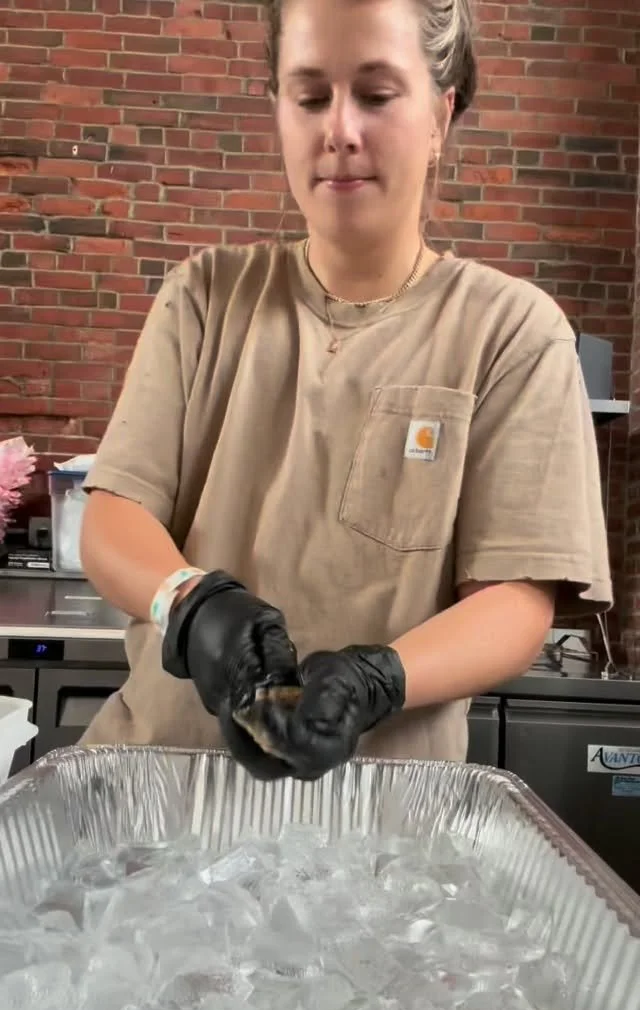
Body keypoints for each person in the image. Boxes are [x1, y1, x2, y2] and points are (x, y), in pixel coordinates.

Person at [79, 0, 612, 780]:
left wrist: (376, 680)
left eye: (376, 93)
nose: (339, 131)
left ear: (441, 115)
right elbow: (112, 519)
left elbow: (515, 602)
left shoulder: (511, 333)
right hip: (156, 794)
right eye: (309, 96)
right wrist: (190, 602)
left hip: (378, 819)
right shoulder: (203, 299)